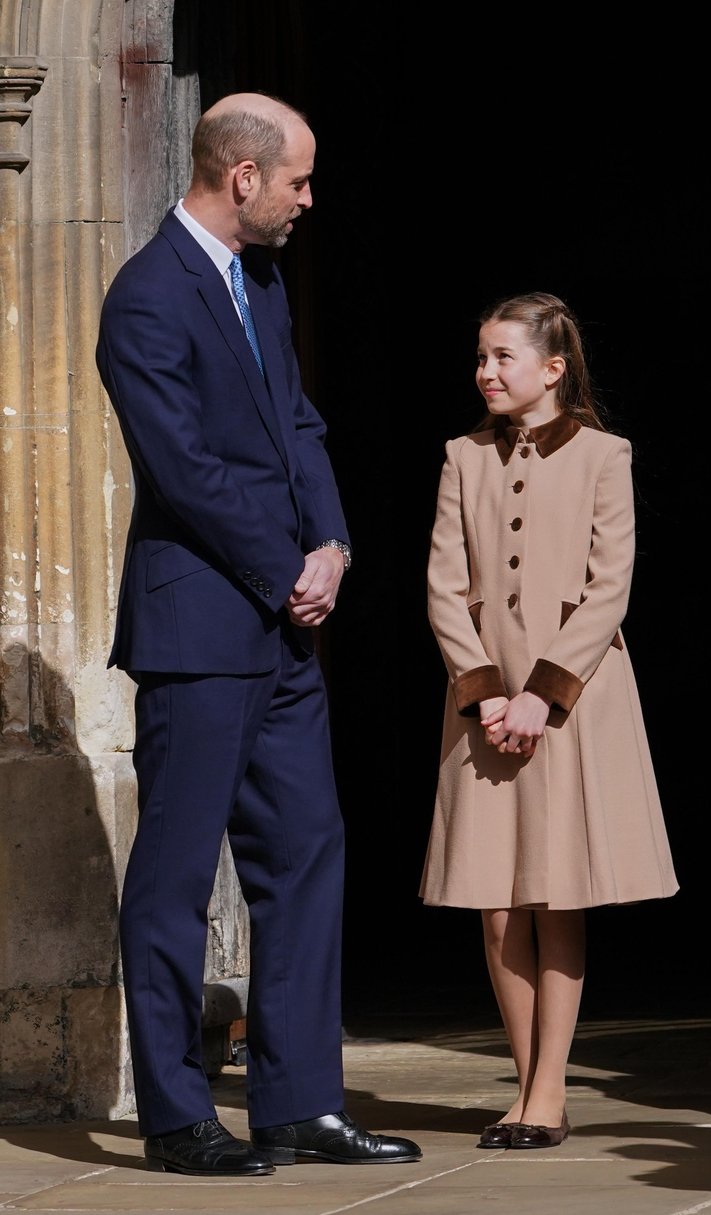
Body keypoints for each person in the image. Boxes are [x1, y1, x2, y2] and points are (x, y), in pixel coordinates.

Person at [96, 91, 421, 1177]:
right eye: (298, 179)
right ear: (243, 176)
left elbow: (298, 425)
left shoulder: (264, 285)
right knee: (176, 874)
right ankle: (177, 1117)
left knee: (307, 854)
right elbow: (183, 468)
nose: (308, 199)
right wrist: (285, 569)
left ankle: (299, 1104)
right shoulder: (147, 295)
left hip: (284, 629)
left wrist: (330, 543)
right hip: (199, 630)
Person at [419, 291, 679, 1150]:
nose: (485, 371)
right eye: (481, 356)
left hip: (571, 701)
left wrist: (541, 694)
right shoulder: (462, 457)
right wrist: (486, 690)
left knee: (555, 890)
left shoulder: (605, 454)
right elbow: (444, 584)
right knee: (495, 900)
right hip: (484, 704)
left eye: (503, 356)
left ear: (553, 367)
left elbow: (610, 586)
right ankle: (528, 1085)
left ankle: (549, 1088)